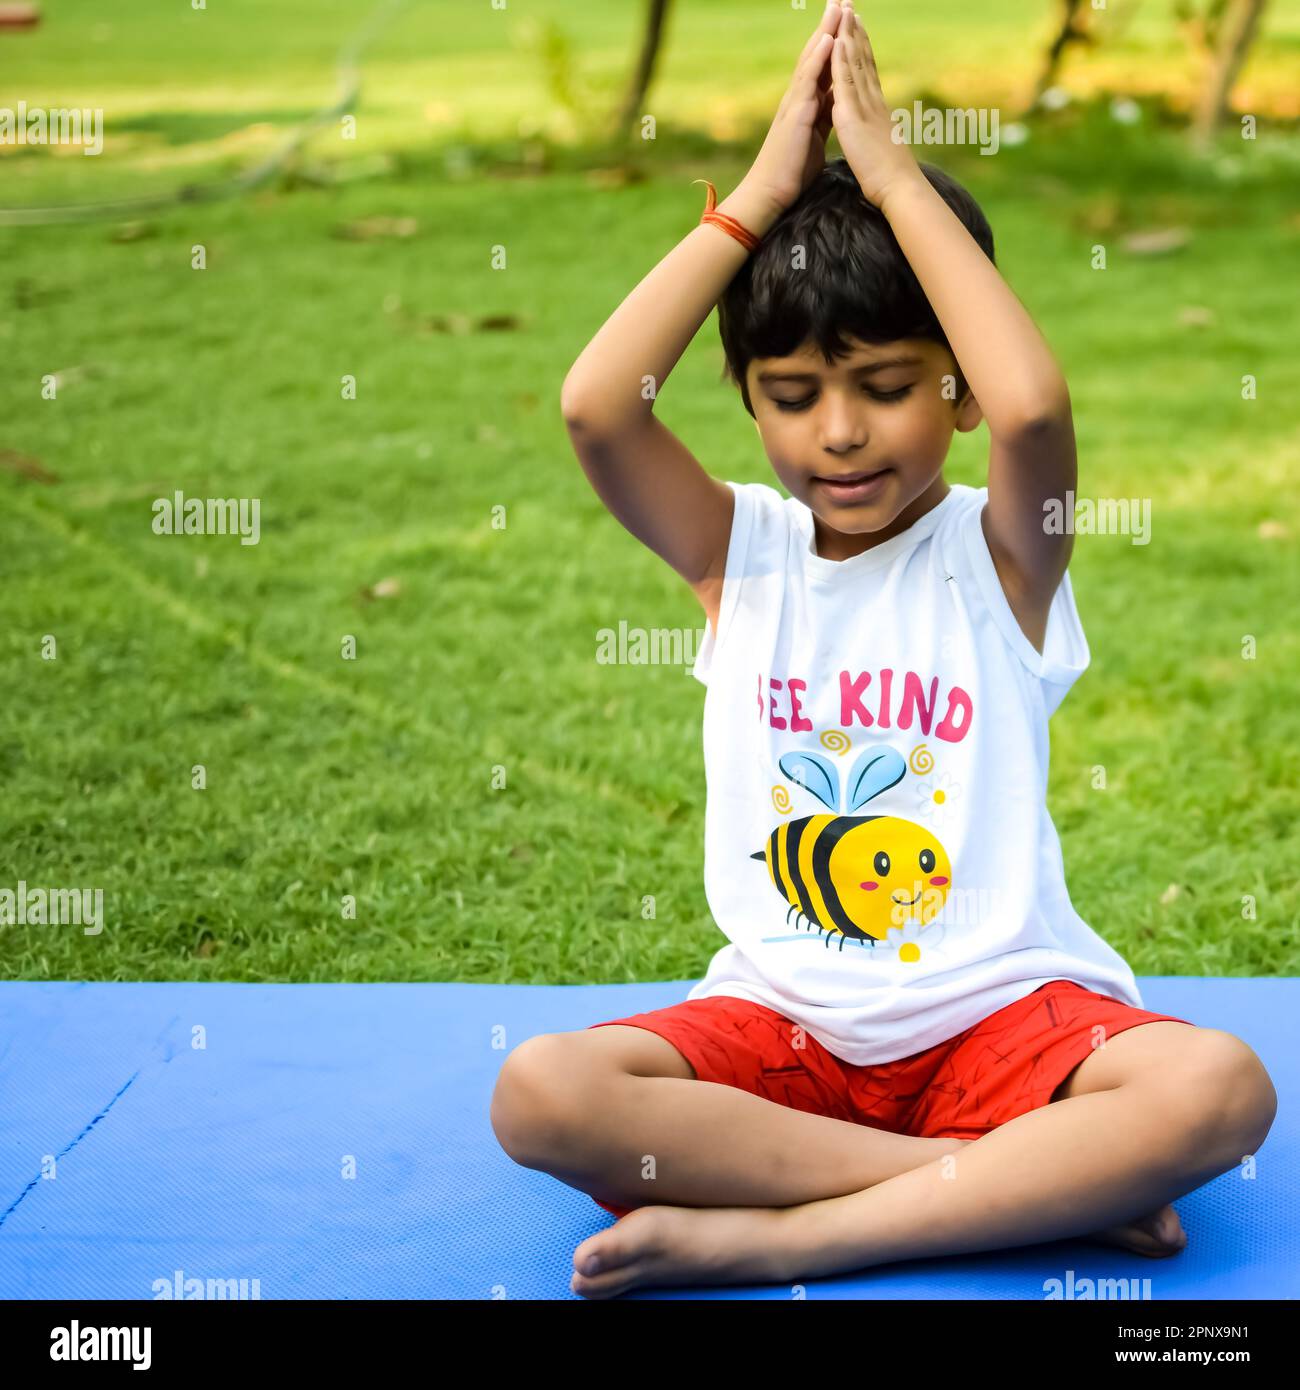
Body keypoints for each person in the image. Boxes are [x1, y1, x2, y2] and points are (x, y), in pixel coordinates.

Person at [491, 0, 1277, 1299]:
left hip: (1002, 1019)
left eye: (889, 385)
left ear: (956, 389)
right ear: (748, 399)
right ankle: (1028, 1184)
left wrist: (894, 174)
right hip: (782, 1033)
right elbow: (593, 402)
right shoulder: (734, 552)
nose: (839, 433)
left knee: (1217, 1086)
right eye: (792, 397)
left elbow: (1035, 403)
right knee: (544, 1092)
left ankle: (794, 1230)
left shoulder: (1005, 556)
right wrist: (760, 191)